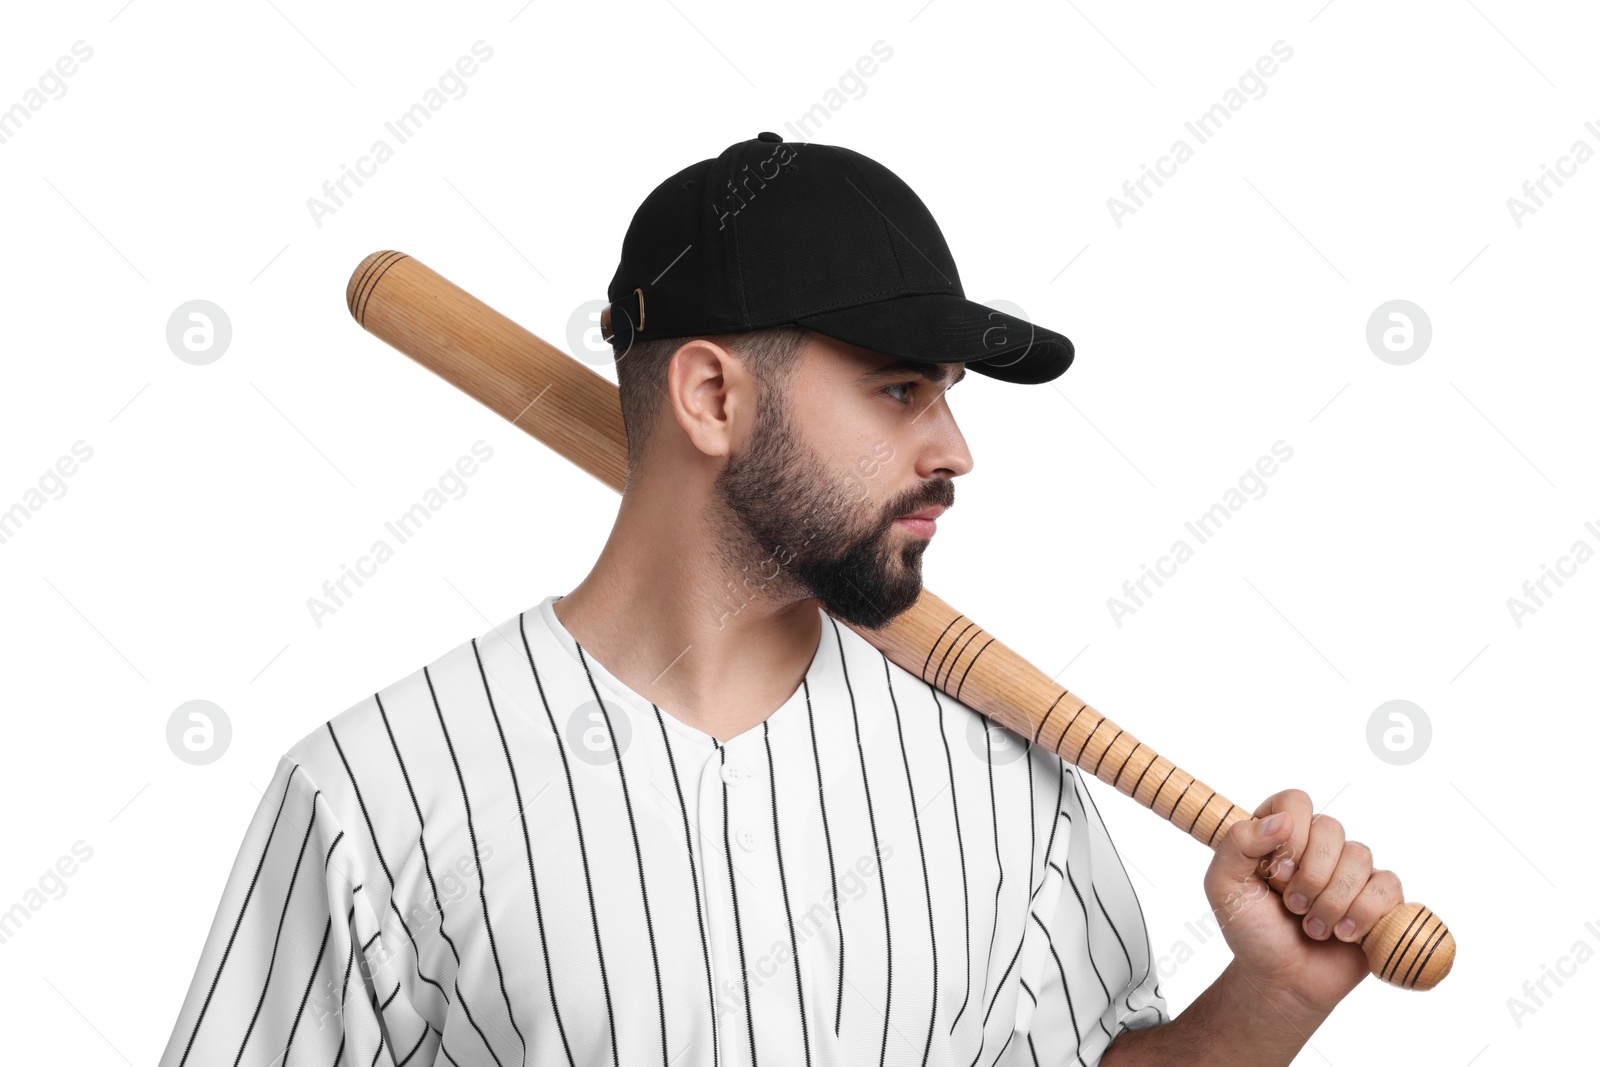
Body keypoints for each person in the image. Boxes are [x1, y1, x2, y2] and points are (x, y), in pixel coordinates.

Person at [157, 134, 1398, 1067]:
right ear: (710, 397)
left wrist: (1274, 994)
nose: (957, 445)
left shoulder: (996, 770)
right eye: (901, 389)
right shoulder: (376, 788)